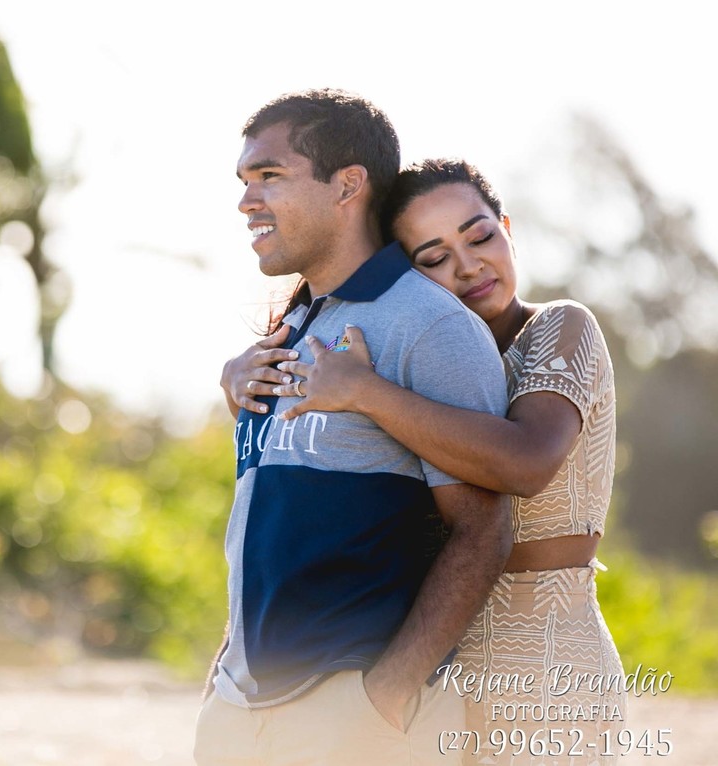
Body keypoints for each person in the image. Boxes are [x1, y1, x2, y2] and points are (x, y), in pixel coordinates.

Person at [233, 158, 626, 764]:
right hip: (430, 658)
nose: (467, 266)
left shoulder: (559, 327)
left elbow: (525, 464)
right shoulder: (409, 350)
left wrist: (367, 393)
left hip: (545, 656)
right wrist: (238, 377)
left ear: (508, 227)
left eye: (479, 236)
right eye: (432, 257)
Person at [196, 89, 513, 766]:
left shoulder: (429, 324)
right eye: (245, 181)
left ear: (347, 185)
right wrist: (224, 675)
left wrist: (386, 697)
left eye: (270, 176)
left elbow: (483, 528)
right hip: (240, 709)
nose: (247, 200)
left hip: (352, 714)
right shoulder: (291, 327)